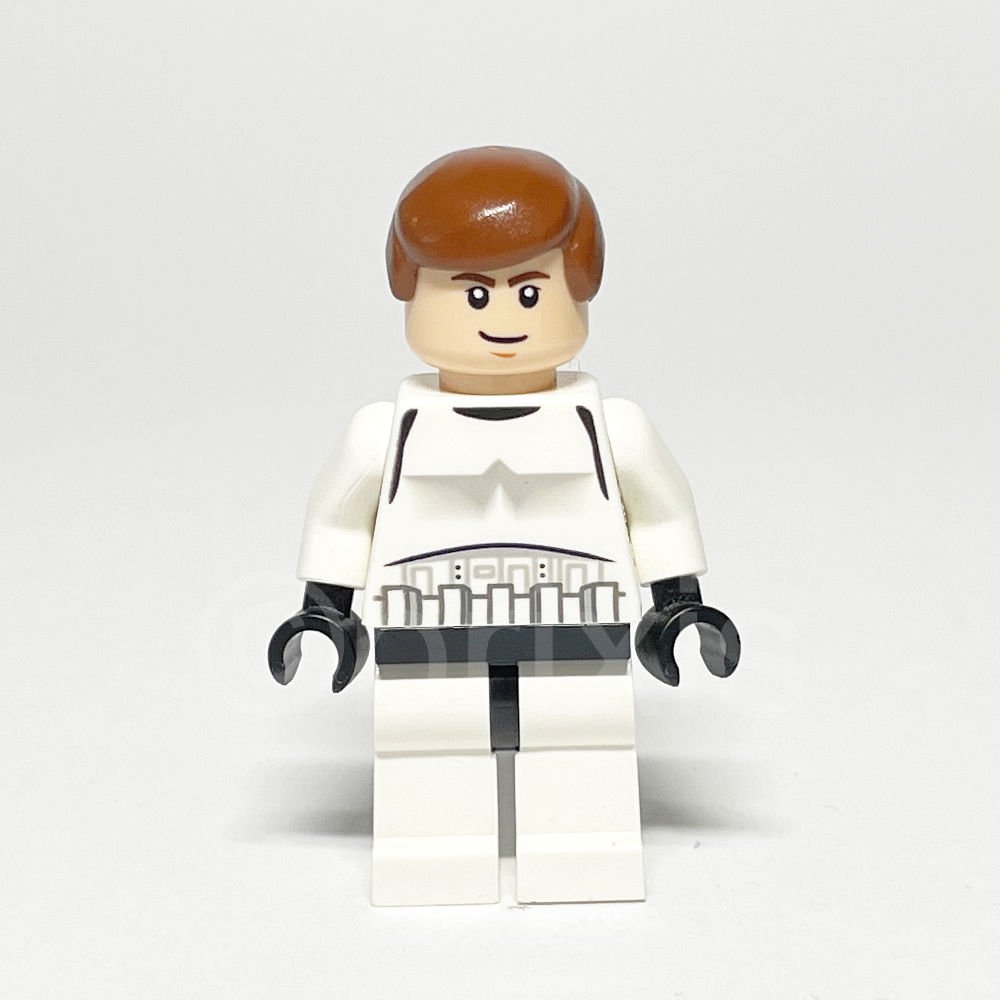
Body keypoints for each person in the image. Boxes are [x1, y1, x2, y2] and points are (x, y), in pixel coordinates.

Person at [268, 146, 740, 906]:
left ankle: (584, 852)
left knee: (585, 746)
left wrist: (678, 603)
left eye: (529, 293)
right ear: (411, 292)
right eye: (472, 294)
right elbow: (342, 526)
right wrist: (326, 612)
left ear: (579, 291)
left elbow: (659, 515)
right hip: (427, 633)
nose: (502, 321)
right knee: (426, 751)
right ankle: (432, 856)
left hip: (578, 632)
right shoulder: (384, 435)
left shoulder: (610, 429)